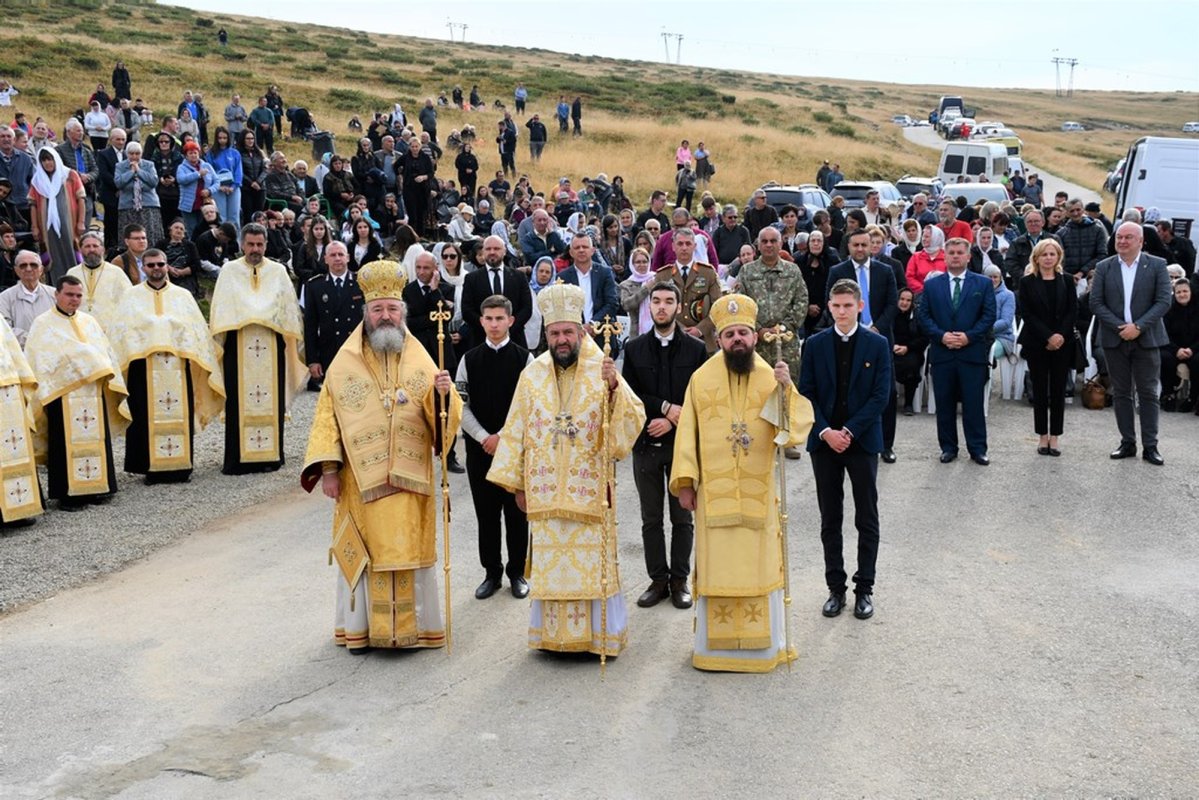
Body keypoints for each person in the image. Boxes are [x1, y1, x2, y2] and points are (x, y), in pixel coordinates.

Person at [301, 259, 462, 654]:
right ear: (367, 314)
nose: (386, 316)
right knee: (367, 552)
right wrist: (329, 470)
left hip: (409, 482)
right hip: (360, 482)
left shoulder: (421, 356)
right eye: (378, 309)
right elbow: (327, 418)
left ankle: (416, 629)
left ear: (402, 313)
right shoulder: (345, 360)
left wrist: (442, 394)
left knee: (408, 551)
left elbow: (443, 414)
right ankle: (363, 630)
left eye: (392, 309)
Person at [487, 282, 643, 656]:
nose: (561, 340)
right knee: (552, 567)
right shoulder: (533, 374)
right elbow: (517, 430)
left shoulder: (602, 368)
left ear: (581, 330)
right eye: (554, 333)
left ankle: (597, 638)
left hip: (589, 492)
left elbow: (632, 422)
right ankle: (553, 640)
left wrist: (613, 390)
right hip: (544, 495)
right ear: (546, 334)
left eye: (567, 332)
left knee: (593, 566)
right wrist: (517, 484)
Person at [670, 294, 814, 672]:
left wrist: (786, 390)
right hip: (713, 498)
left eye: (744, 333)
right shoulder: (700, 380)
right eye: (730, 333)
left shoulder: (771, 375)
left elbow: (793, 432)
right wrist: (686, 481)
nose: (738, 340)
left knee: (757, 564)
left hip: (758, 496)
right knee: (718, 565)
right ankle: (714, 650)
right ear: (719, 339)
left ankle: (764, 648)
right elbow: (687, 433)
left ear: (755, 337)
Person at [799, 278, 890, 621]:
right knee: (830, 517)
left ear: (860, 306)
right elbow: (806, 391)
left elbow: (880, 396)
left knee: (866, 516)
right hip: (824, 443)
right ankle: (835, 588)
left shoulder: (877, 344)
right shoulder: (815, 344)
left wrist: (849, 431)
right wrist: (825, 431)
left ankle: (864, 587)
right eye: (835, 306)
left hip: (861, 440)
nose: (841, 312)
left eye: (847, 306)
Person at [106, 249, 224, 483]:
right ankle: (150, 467)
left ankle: (181, 466)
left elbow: (196, 330)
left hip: (178, 368)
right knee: (143, 415)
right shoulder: (131, 296)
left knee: (179, 413)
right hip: (143, 367)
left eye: (160, 264)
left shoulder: (182, 296)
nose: (156, 268)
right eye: (150, 265)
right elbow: (122, 332)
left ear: (167, 265)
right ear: (144, 268)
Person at [622, 281, 706, 609]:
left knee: (682, 516)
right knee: (651, 517)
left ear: (678, 307)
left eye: (668, 301)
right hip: (645, 442)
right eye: (656, 301)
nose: (661, 307)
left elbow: (699, 397)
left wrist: (671, 418)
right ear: (649, 306)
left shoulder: (696, 350)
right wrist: (662, 409)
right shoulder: (635, 348)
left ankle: (680, 580)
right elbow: (630, 397)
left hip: (682, 443)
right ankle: (657, 580)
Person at [25, 275, 131, 509]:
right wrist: (81, 363)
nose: (74, 300)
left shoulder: (89, 322)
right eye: (69, 295)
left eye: (78, 295)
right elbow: (41, 360)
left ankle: (99, 486)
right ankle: (69, 494)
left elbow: (105, 353)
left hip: (93, 392)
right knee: (64, 443)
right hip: (62, 394)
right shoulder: (43, 323)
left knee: (96, 438)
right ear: (57, 294)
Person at [209, 222, 306, 475]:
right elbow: (221, 309)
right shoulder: (229, 271)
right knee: (237, 401)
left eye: (260, 244)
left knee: (270, 400)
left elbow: (288, 308)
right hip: (237, 345)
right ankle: (237, 459)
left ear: (266, 244)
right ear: (242, 244)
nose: (255, 249)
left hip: (271, 345)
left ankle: (271, 456)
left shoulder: (278, 271)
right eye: (250, 244)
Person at [456, 294, 533, 599]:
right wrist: (483, 437)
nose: (494, 324)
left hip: (513, 450)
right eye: (489, 318)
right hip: (480, 450)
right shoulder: (469, 359)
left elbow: (529, 406)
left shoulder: (525, 359)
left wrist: (503, 436)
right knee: (486, 515)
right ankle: (491, 573)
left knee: (516, 514)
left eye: (500, 318)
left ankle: (517, 572)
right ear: (481, 321)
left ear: (511, 321)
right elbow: (460, 405)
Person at [1090, 223, 1173, 465]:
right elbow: (1096, 303)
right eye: (1119, 237)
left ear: (1140, 241)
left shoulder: (1156, 265)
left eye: (1128, 237)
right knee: (1121, 393)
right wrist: (1120, 327)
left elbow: (1163, 301)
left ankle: (1151, 446)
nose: (1122, 241)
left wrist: (1137, 327)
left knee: (1148, 393)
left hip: (1147, 339)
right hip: (1115, 339)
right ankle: (1127, 442)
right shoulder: (1104, 267)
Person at [917, 237, 996, 465]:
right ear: (945, 255)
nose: (955, 256)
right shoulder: (932, 285)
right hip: (943, 354)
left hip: (971, 354)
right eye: (950, 252)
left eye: (959, 252)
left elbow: (988, 316)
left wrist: (968, 337)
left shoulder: (982, 284)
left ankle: (978, 449)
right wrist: (942, 336)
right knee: (945, 404)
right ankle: (948, 447)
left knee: (973, 404)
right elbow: (924, 316)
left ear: (968, 256)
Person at [827, 229, 900, 462]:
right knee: (849, 390)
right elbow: (830, 304)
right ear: (848, 247)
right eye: (855, 245)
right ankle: (846, 439)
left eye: (864, 245)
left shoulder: (885, 271)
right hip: (848, 338)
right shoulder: (837, 272)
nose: (860, 249)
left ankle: (886, 445)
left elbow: (892, 304)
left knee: (885, 392)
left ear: (872, 246)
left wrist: (876, 328)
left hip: (879, 338)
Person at [736, 226, 808, 459]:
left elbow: (801, 303)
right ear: (758, 245)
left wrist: (782, 328)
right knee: (754, 388)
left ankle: (787, 437)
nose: (768, 245)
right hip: (754, 342)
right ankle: (758, 436)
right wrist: (757, 330)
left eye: (773, 241)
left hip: (784, 342)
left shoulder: (792, 271)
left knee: (786, 388)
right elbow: (740, 303)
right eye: (764, 241)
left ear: (780, 244)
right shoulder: (747, 272)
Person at [1017, 239, 1078, 456]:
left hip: (1063, 343)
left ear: (1058, 256)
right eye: (1044, 254)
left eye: (1052, 254)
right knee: (1040, 390)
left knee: (1059, 391)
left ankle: (1055, 437)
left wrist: (1060, 335)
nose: (1048, 258)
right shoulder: (1027, 282)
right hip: (1037, 342)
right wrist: (1048, 336)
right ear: (1037, 257)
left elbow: (1072, 311)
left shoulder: (1068, 280)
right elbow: (1027, 314)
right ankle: (1042, 436)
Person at [302, 240, 363, 392]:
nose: (337, 258)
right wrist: (313, 360)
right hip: (329, 353)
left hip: (356, 353)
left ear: (348, 258)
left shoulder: (361, 283)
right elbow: (310, 326)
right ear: (326, 259)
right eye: (333, 255)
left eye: (341, 254)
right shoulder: (315, 286)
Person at [0, 310, 41, 525]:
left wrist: (23, 379)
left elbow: (12, 351)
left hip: (9, 393)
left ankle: (19, 508)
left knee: (14, 450)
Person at [462, 235, 534, 350]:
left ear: (504, 251)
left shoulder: (518, 277)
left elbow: (526, 308)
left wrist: (507, 329)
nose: (492, 252)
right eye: (488, 249)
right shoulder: (471, 278)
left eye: (496, 249)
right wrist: (489, 328)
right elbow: (467, 310)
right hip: (481, 341)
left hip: (514, 340)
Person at [29, 147, 86, 282]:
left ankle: (75, 281)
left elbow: (81, 198)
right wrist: (35, 227)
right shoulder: (38, 180)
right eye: (44, 161)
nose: (48, 163)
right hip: (46, 227)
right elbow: (33, 204)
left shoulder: (69, 175)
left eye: (50, 159)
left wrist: (81, 221)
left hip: (69, 224)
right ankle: (55, 283)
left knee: (71, 249)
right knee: (52, 253)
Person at [67, 231, 131, 332]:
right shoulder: (72, 273)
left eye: (95, 246)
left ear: (103, 249)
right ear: (80, 249)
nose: (91, 249)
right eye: (87, 246)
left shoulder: (116, 272)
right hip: (79, 328)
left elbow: (128, 301)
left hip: (109, 330)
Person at [114, 141, 163, 252]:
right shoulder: (120, 166)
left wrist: (139, 171)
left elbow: (153, 182)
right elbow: (119, 183)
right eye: (131, 154)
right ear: (127, 154)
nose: (134, 156)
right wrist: (131, 172)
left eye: (137, 153)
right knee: (129, 235)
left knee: (149, 237)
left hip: (148, 205)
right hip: (128, 207)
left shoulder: (149, 165)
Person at [0, 249, 55, 347]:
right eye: (23, 265)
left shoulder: (55, 294)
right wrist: (33, 339)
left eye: (33, 265)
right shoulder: (4, 298)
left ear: (41, 269)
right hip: (21, 354)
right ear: (16, 270)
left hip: (52, 350)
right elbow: (4, 328)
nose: (28, 269)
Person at [1162, 279, 1198, 413]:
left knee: (1197, 361)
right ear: (1174, 294)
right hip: (1173, 349)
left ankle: (1192, 398)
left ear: (1191, 292)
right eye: (1178, 292)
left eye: (1185, 291)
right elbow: (1164, 335)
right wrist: (1177, 350)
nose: (1182, 294)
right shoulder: (1168, 310)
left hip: (1194, 349)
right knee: (1164, 358)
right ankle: (1169, 395)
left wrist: (1191, 350)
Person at [892, 287, 927, 414]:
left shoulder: (918, 316)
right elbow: (883, 333)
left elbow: (924, 338)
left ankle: (908, 404)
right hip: (891, 349)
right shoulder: (890, 314)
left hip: (912, 350)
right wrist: (893, 346)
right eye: (902, 299)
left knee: (911, 366)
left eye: (908, 300)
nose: (904, 303)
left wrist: (908, 348)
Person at [205, 126, 242, 228]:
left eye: (225, 138)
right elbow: (209, 173)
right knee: (221, 217)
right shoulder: (211, 154)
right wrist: (218, 186)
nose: (222, 140)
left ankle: (236, 242)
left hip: (233, 188)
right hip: (218, 188)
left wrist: (233, 187)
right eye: (220, 138)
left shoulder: (235, 153)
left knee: (234, 217)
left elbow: (238, 172)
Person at [398, 137, 435, 237]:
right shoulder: (405, 157)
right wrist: (401, 176)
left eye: (416, 146)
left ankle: (421, 236)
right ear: (409, 147)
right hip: (409, 188)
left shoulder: (426, 157)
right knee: (412, 214)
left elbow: (431, 173)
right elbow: (396, 166)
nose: (415, 149)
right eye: (412, 146)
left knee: (421, 215)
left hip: (422, 189)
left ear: (420, 146)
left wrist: (423, 177)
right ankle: (412, 237)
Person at [905, 225, 946, 293]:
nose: (923, 239)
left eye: (927, 237)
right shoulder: (916, 256)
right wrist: (924, 289)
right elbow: (909, 277)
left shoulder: (946, 257)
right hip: (920, 295)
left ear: (935, 238)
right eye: (923, 236)